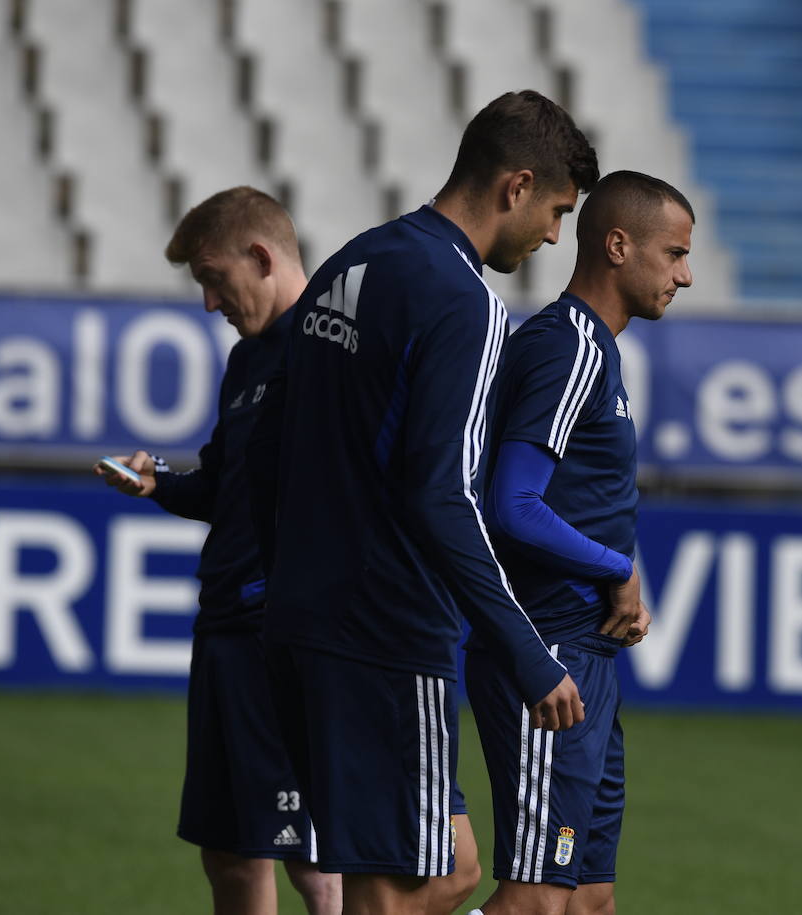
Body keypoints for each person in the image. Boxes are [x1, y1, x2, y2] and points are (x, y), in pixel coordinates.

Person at [249, 90, 599, 915]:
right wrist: (526, 650)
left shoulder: (354, 261)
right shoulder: (468, 304)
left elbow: (270, 447)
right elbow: (444, 493)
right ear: (516, 185)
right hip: (386, 626)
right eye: (555, 210)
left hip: (305, 620)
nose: (554, 235)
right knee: (401, 886)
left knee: (447, 868)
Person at [93, 186, 342, 915]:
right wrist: (158, 483)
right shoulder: (247, 362)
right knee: (231, 851)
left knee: (312, 859)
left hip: (283, 637)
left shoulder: (330, 349)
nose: (209, 302)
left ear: (261, 257)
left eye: (212, 278)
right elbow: (223, 487)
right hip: (225, 634)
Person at [466, 170, 693, 915]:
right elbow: (513, 504)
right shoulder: (569, 347)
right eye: (675, 254)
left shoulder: (596, 349)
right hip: (548, 653)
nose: (685, 275)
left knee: (589, 898)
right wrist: (618, 565)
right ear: (619, 245)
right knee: (536, 898)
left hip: (583, 659)